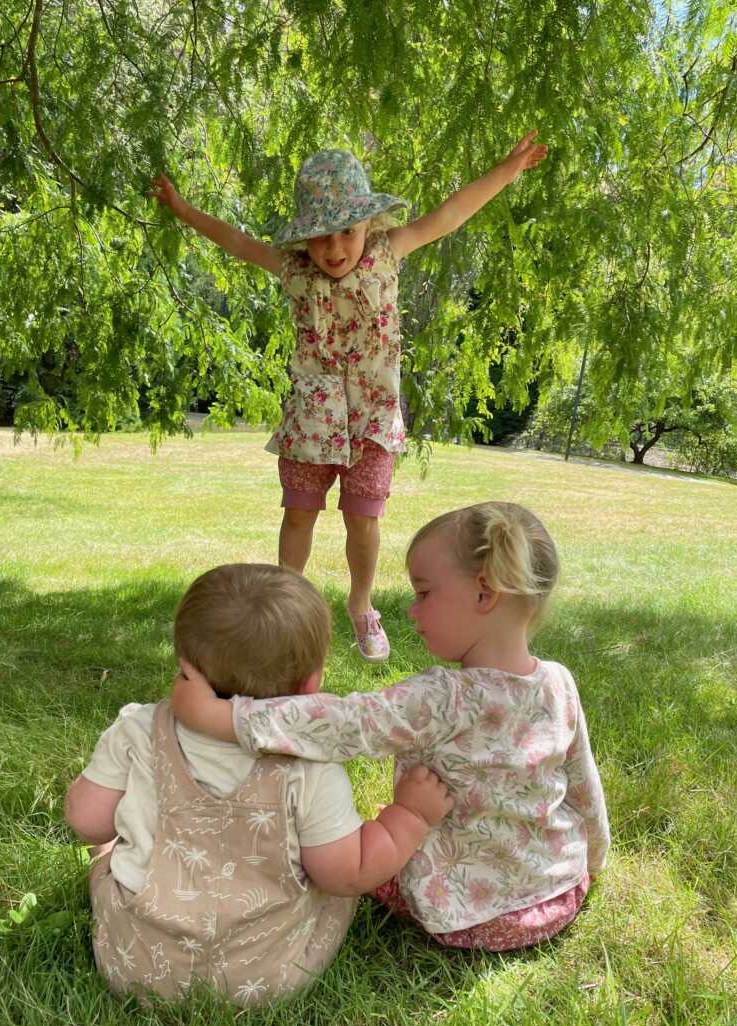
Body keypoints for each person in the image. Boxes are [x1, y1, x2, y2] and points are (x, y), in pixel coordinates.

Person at [150, 133, 547, 662]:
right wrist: (182, 208)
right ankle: (284, 608)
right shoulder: (293, 270)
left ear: (368, 225)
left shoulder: (388, 253)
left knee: (363, 518)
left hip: (372, 417)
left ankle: (361, 607)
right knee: (298, 515)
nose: (334, 249)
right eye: (319, 237)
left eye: (346, 233)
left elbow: (450, 215)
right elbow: (235, 241)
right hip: (312, 418)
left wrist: (507, 169)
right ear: (303, 239)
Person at [171, 503, 610, 952]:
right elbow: (582, 784)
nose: (411, 610)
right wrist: (593, 857)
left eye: (423, 593)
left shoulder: (442, 698)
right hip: (556, 892)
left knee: (357, 852)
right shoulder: (559, 681)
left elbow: (346, 724)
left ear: (484, 593)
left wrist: (223, 716)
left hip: (467, 915)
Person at [64, 563, 452, 1006]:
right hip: (266, 973)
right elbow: (347, 874)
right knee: (328, 890)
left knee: (109, 855)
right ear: (311, 684)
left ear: (186, 666)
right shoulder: (309, 765)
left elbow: (87, 821)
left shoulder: (139, 728)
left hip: (137, 965)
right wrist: (411, 817)